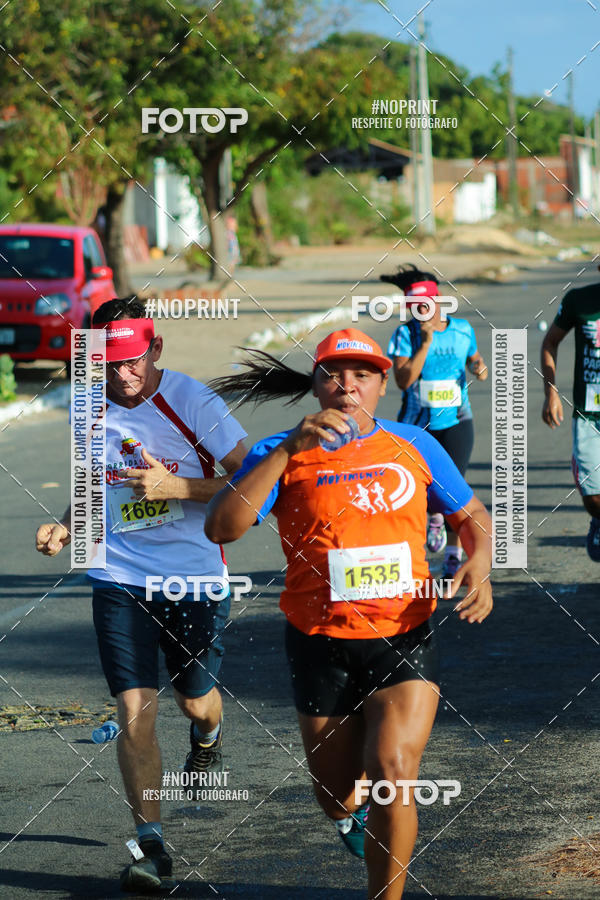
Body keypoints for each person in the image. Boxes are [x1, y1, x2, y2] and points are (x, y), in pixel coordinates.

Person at [204, 328, 493, 900]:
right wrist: (288, 449)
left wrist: (480, 566)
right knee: (336, 792)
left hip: (401, 633)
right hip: (318, 639)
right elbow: (222, 528)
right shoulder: (279, 452)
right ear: (316, 387)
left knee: (393, 772)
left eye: (362, 374)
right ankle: (347, 815)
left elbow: (473, 515)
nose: (347, 385)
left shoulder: (414, 444)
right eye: (334, 374)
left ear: (382, 386)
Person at [35, 297, 247, 892]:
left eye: (132, 362)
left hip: (194, 578)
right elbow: (91, 485)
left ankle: (208, 738)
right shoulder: (87, 405)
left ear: (155, 349)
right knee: (134, 713)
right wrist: (69, 526)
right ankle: (150, 846)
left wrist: (175, 484)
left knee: (195, 701)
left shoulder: (193, 402)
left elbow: (253, 484)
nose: (121, 375)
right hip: (118, 575)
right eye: (108, 364)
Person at [382, 265, 488, 579]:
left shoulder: (462, 329)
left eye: (425, 303)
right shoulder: (404, 334)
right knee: (414, 490)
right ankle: (421, 539)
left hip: (457, 420)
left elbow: (474, 360)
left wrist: (480, 368)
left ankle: (453, 557)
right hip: (417, 425)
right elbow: (403, 380)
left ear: (438, 299)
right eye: (413, 306)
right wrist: (425, 343)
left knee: (455, 491)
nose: (421, 310)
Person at [541, 278, 600, 560]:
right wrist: (551, 393)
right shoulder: (579, 300)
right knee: (593, 497)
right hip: (588, 413)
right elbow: (550, 342)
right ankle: (598, 519)